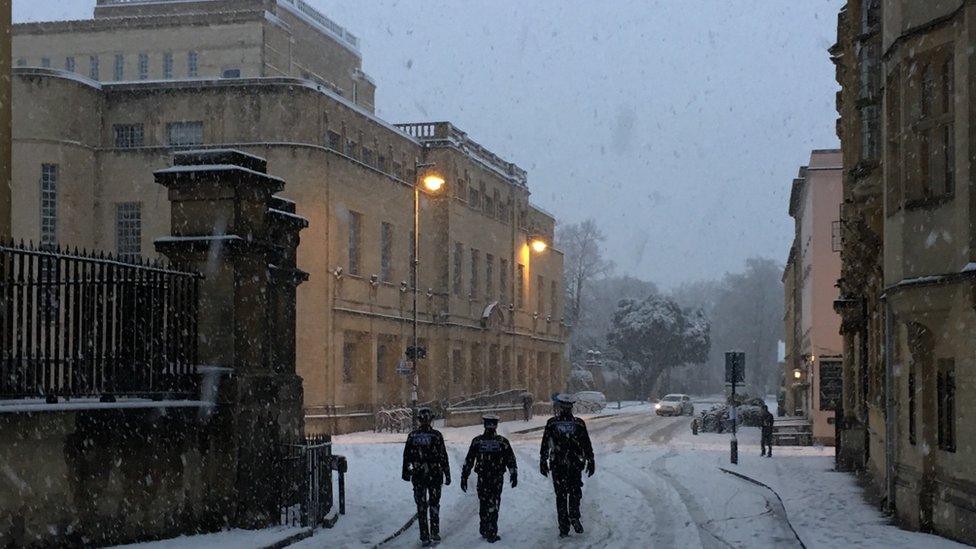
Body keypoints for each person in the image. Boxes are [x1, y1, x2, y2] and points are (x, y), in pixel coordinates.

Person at [540, 394, 595, 538]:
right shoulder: (578, 424)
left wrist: (543, 460)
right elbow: (586, 443)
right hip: (575, 463)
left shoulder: (552, 423)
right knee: (575, 491)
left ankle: (564, 525)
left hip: (558, 464)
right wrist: (590, 459)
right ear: (571, 407)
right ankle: (574, 516)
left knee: (561, 495)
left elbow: (546, 443)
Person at [460, 414, 518, 543]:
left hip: (484, 477)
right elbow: (510, 459)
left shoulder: (478, 441)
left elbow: (469, 460)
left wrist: (464, 476)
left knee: (484, 502)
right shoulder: (502, 441)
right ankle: (491, 531)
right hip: (496, 477)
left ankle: (485, 528)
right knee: (494, 502)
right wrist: (513, 473)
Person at [402, 407, 451, 547]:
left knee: (421, 506)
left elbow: (407, 456)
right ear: (430, 420)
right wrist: (447, 473)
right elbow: (443, 456)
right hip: (434, 474)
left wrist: (405, 472)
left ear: (419, 420)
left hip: (418, 475)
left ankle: (424, 535)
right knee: (434, 504)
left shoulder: (412, 436)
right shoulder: (436, 436)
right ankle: (434, 531)